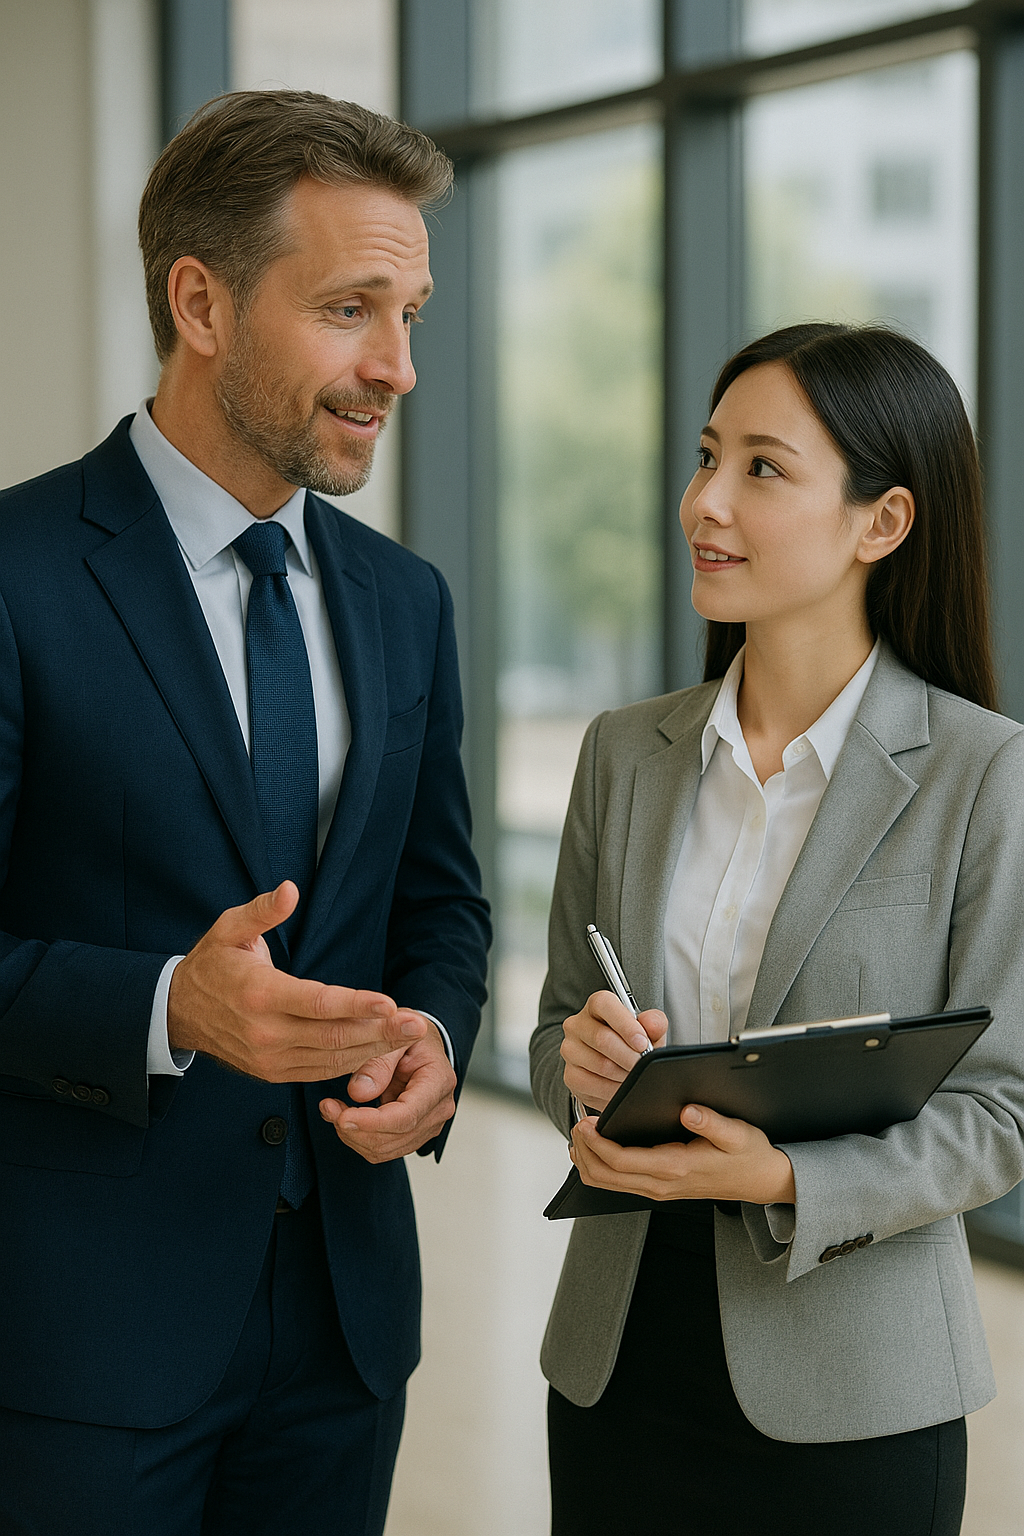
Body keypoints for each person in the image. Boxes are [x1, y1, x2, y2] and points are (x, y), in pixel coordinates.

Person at [0, 90, 489, 1535]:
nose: (397, 367)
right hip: (79, 1344)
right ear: (200, 302)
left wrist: (439, 1047)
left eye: (411, 312)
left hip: (342, 1338)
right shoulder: (17, 577)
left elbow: (439, 904)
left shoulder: (408, 601)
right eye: (352, 309)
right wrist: (169, 1007)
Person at [530, 322, 1024, 1536]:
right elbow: (553, 1026)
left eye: (761, 467)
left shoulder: (980, 775)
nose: (704, 500)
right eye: (706, 457)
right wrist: (578, 1069)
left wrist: (789, 1178)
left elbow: (1000, 1111)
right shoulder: (622, 754)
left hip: (855, 1391)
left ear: (882, 523)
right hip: (618, 1363)